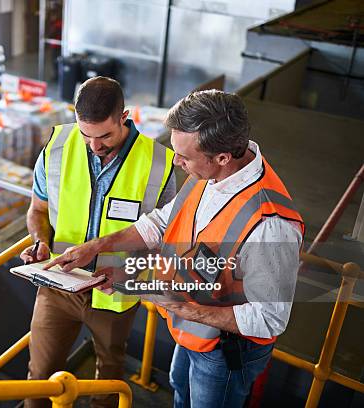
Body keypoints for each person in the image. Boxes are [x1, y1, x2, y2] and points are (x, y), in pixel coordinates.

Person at [45, 90, 304, 408]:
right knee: (180, 387)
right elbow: (160, 223)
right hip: (193, 329)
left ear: (222, 157)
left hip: (224, 350)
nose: (176, 162)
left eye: (184, 156)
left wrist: (180, 306)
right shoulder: (209, 172)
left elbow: (269, 319)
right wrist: (97, 246)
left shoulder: (270, 224)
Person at [19, 76, 176, 408]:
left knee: (108, 383)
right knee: (40, 379)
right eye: (85, 134)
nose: (94, 145)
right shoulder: (59, 146)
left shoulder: (160, 163)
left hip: (115, 295)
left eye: (104, 135)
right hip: (58, 285)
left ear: (124, 116)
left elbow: (166, 238)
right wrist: (40, 241)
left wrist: (129, 272)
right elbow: (38, 209)